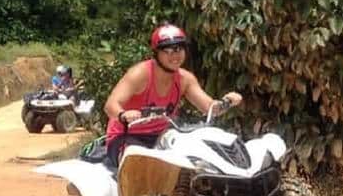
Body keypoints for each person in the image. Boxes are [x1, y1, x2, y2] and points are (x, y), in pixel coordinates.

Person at [103, 23, 243, 167]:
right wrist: (123, 115)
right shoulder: (140, 74)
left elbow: (210, 108)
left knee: (196, 164)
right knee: (140, 168)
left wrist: (227, 102)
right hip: (126, 137)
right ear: (156, 53)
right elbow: (110, 105)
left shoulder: (185, 79)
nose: (175, 55)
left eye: (179, 48)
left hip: (161, 137)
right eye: (168, 50)